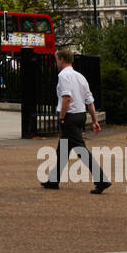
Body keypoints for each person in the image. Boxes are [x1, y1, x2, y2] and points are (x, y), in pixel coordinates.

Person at [42, 48, 110, 193]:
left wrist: (61, 118)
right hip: (80, 115)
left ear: (61, 59)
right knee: (63, 150)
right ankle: (53, 180)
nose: (56, 63)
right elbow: (89, 100)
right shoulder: (80, 76)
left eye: (56, 60)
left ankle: (102, 180)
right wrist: (94, 120)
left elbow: (67, 98)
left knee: (81, 150)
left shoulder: (63, 76)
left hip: (70, 116)